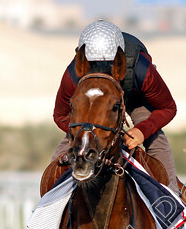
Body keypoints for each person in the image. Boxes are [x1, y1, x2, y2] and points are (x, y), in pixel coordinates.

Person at [51, 19, 179, 193]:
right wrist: (84, 132)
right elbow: (60, 115)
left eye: (109, 65)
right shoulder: (72, 74)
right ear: (84, 61)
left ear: (119, 61)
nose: (101, 68)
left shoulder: (142, 70)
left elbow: (168, 108)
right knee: (62, 151)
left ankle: (170, 198)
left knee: (157, 141)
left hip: (135, 98)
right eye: (93, 65)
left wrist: (143, 130)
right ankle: (49, 204)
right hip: (94, 105)